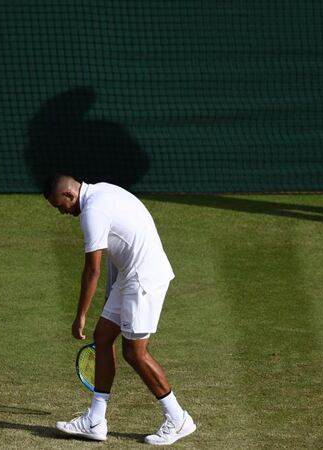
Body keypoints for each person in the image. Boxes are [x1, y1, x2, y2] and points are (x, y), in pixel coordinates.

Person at [44, 175, 196, 445]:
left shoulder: (92, 213)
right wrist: (108, 301)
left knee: (134, 352)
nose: (62, 212)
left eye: (60, 206)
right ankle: (95, 420)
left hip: (144, 278)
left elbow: (93, 269)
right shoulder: (102, 192)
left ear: (69, 195)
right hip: (131, 274)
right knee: (103, 336)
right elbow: (118, 250)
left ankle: (178, 417)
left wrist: (80, 315)